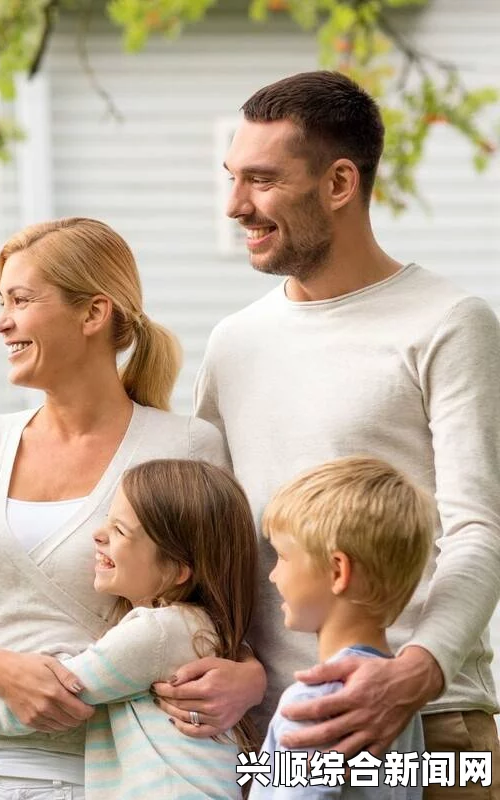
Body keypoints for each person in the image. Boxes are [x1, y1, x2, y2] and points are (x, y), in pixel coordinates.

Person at [185, 70, 500, 784]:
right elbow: (201, 523)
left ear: (339, 183)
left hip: (433, 719)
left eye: (262, 180)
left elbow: (480, 527)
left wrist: (415, 672)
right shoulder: (234, 341)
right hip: (279, 732)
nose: (237, 205)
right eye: (232, 177)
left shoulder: (449, 323)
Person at [0, 217, 265, 799]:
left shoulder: (188, 446)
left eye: (20, 300)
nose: (1, 321)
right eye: (1, 301)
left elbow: (219, 610)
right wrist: (4, 674)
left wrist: (251, 678)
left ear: (93, 314)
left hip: (92, 770)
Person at [0, 459, 257, 799]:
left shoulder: (155, 633)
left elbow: (45, 698)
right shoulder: (196, 630)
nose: (98, 534)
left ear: (178, 569)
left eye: (119, 530)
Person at [251, 456, 432, 799]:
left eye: (283, 557)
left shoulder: (316, 701)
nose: (273, 574)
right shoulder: (400, 707)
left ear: (338, 571)